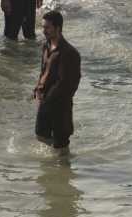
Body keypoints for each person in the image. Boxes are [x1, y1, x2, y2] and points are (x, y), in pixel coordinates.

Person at [34, 11, 81, 156]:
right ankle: (54, 161)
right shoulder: (46, 46)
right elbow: (43, 71)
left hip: (60, 106)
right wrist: (37, 89)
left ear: (58, 28)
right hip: (45, 100)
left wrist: (50, 100)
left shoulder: (69, 53)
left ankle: (64, 170)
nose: (44, 31)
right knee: (40, 135)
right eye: (43, 27)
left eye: (47, 28)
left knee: (61, 144)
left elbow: (69, 84)